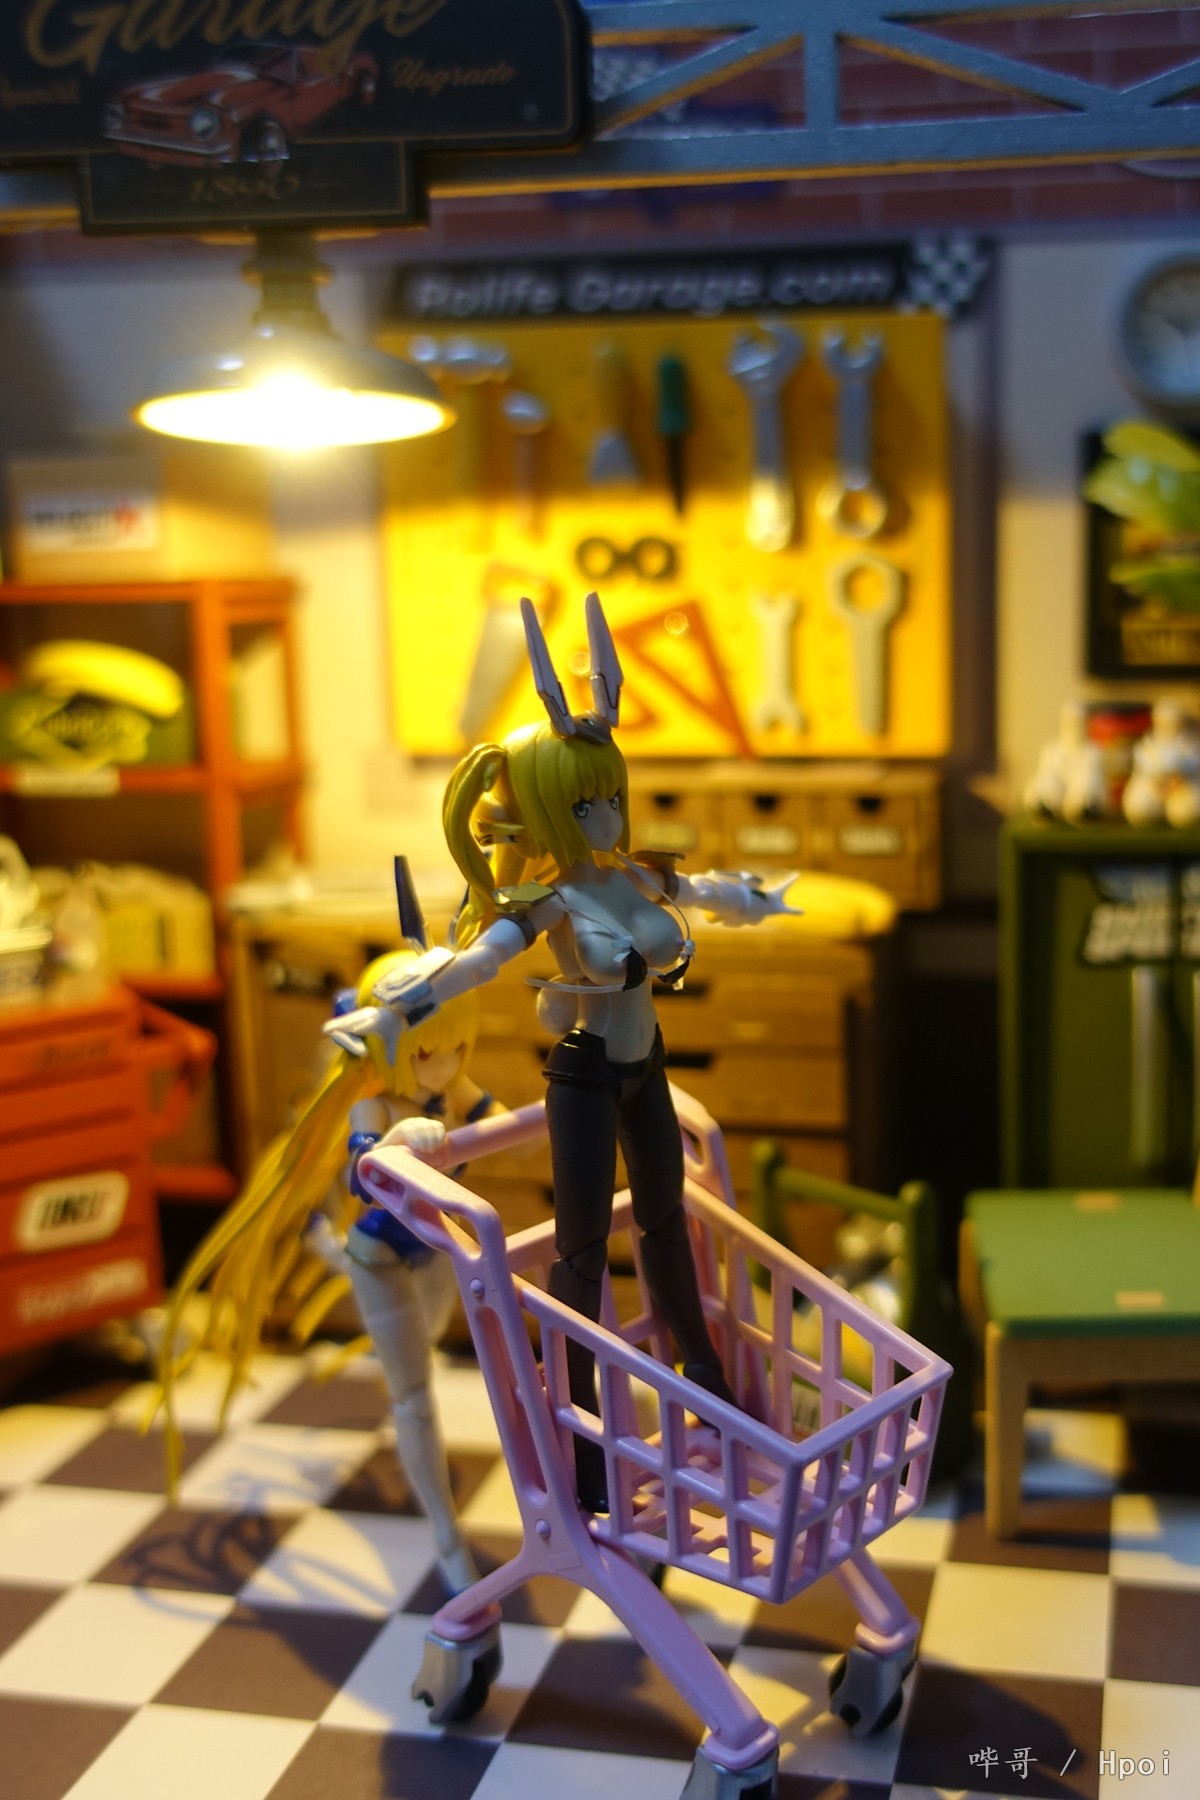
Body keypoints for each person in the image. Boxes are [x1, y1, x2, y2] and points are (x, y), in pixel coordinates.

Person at [329, 594, 797, 1506]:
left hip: (646, 1070)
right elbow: (478, 964)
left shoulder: (639, 877)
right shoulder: (550, 905)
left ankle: (708, 1396)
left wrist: (759, 902)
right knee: (580, 1258)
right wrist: (400, 1009)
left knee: (667, 1224)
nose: (608, 817)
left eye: (613, 796)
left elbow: (708, 892)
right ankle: (583, 1448)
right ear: (547, 810)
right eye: (587, 804)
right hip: (584, 1081)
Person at [157, 921, 501, 1594]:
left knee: (429, 1342)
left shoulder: (451, 1084)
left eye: (459, 1046)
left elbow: (508, 1125)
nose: (446, 1062)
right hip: (385, 1251)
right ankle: (446, 1536)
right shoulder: (375, 1106)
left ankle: (325, 1249)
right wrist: (402, 1137)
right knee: (413, 1397)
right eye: (430, 1050)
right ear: (391, 1047)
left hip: (436, 1247)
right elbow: (364, 1173)